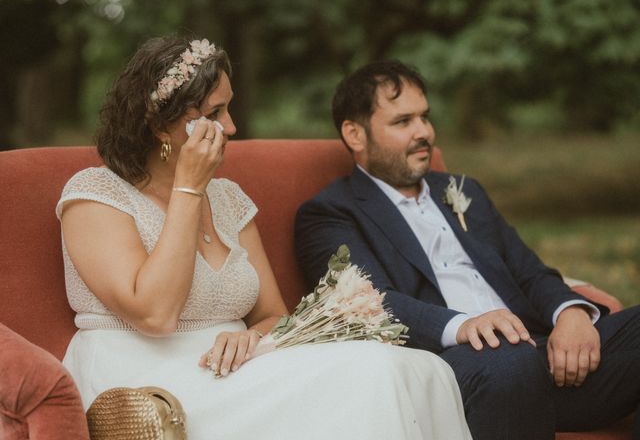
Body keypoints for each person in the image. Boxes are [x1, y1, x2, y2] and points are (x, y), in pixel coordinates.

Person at [56, 37, 472, 440]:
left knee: (420, 369)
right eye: (215, 113)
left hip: (238, 366)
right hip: (148, 384)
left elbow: (272, 314)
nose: (231, 126)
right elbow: (155, 315)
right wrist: (188, 190)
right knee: (373, 373)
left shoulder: (229, 198)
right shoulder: (96, 194)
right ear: (160, 126)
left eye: (229, 108)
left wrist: (252, 337)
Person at [295, 60, 640, 440]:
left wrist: (570, 312)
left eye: (425, 117)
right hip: (457, 368)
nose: (424, 132)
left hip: (543, 357)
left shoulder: (464, 191)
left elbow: (528, 270)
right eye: (403, 122)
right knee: (508, 359)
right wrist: (464, 325)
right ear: (355, 135)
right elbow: (365, 304)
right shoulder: (330, 212)